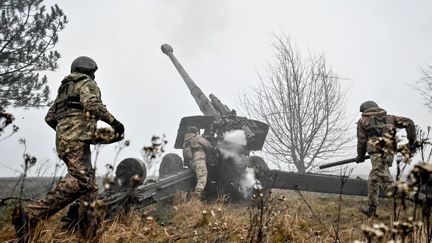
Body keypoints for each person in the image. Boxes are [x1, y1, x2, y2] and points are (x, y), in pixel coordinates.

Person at [13, 56, 125, 240]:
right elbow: (92, 104)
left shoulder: (64, 90)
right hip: (78, 140)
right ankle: (29, 214)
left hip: (65, 142)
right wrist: (114, 123)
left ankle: (87, 230)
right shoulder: (85, 83)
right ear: (88, 70)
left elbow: (49, 118)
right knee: (81, 180)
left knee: (89, 187)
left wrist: (65, 131)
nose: (94, 76)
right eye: (93, 72)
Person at [356, 100, 416, 217]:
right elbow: (409, 122)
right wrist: (412, 141)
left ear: (365, 111)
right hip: (389, 155)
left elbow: (361, 141)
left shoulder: (363, 121)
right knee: (373, 180)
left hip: (377, 156)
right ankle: (372, 210)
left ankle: (417, 196)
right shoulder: (390, 118)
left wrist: (361, 156)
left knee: (389, 188)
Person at [182, 126, 213, 199]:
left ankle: (189, 197)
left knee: (197, 179)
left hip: (192, 163)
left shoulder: (185, 141)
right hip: (199, 160)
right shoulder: (197, 137)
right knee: (202, 178)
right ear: (196, 132)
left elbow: (185, 156)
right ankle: (196, 197)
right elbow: (208, 145)